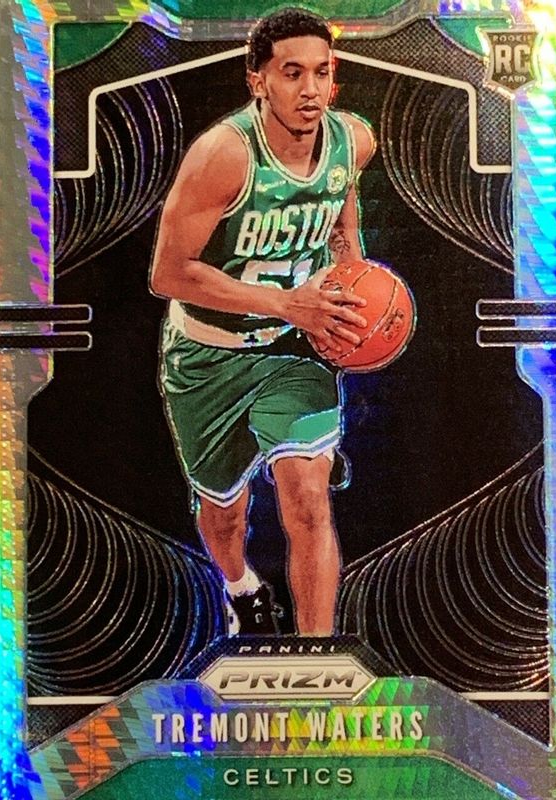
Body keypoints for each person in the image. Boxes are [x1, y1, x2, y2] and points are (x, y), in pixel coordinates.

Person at [150, 7, 376, 637]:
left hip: (291, 351)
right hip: (208, 353)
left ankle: (317, 656)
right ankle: (240, 586)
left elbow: (342, 218)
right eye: (292, 73)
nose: (310, 89)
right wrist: (285, 303)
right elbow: (168, 274)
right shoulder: (223, 154)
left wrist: (352, 288)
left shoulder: (353, 140)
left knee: (308, 499)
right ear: (259, 81)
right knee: (223, 512)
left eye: (322, 73)